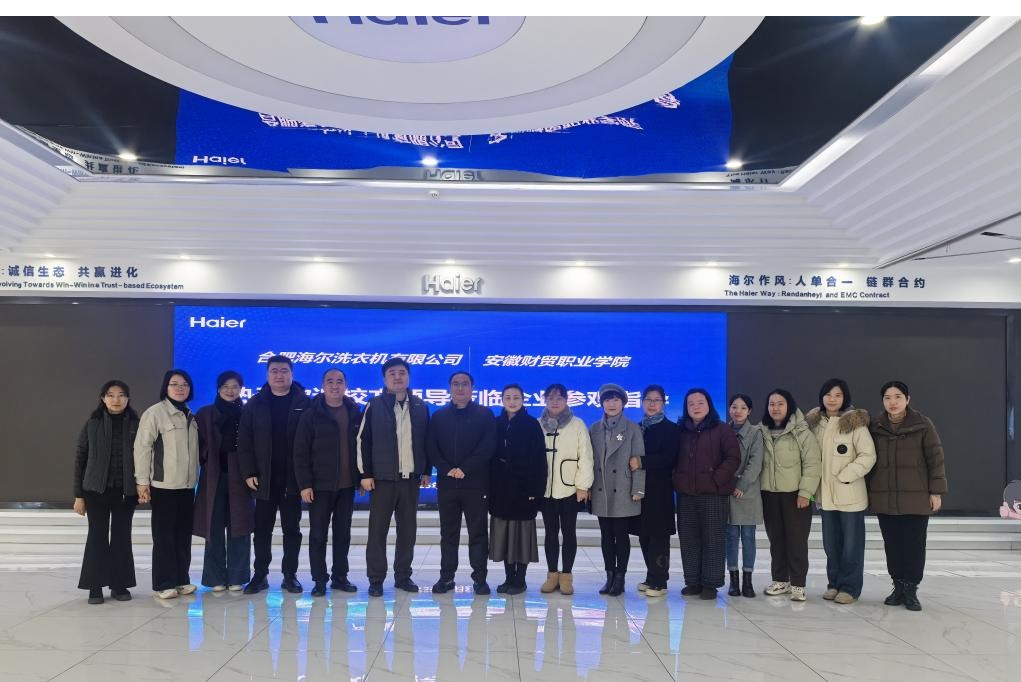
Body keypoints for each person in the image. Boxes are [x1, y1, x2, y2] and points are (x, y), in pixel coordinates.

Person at [868, 380, 947, 612]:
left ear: (907, 400)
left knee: (914, 545)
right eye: (887, 398)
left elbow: (936, 458)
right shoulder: (875, 426)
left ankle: (911, 589)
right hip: (885, 497)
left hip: (916, 497)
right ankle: (898, 586)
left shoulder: (922, 424)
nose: (892, 402)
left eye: (898, 397)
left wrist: (936, 491)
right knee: (892, 545)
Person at [357, 357, 431, 598]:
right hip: (382, 480)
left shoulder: (420, 406)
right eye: (392, 373)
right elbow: (362, 441)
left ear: (408, 376)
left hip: (410, 480)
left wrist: (426, 470)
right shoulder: (374, 404)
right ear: (384, 378)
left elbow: (427, 441)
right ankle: (376, 579)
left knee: (407, 532)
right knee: (377, 532)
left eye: (402, 373)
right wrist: (365, 474)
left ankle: (403, 576)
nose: (397, 377)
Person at [238, 354, 311, 595]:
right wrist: (248, 471)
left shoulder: (305, 403)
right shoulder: (255, 404)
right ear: (267, 374)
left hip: (293, 480)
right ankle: (260, 575)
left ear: (292, 373)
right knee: (262, 531)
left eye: (284, 371)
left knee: (292, 531)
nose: (279, 375)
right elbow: (244, 441)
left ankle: (290, 576)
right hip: (264, 479)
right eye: (274, 371)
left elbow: (313, 441)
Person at [806, 378, 876, 605]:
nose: (832, 399)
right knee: (831, 545)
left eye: (837, 395)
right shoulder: (815, 424)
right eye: (828, 394)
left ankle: (850, 588)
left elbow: (868, 455)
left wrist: (845, 475)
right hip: (825, 497)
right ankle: (834, 583)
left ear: (845, 398)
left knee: (851, 546)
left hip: (850, 495)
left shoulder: (855, 424)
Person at [294, 368, 363, 597]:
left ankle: (340, 577)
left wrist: (360, 478)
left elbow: (362, 448)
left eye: (339, 381)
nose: (335, 385)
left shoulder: (354, 412)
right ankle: (319, 579)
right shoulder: (311, 414)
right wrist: (305, 484)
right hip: (319, 486)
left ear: (346, 385)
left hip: (346, 486)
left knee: (343, 534)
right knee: (318, 535)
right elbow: (300, 451)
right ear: (323, 385)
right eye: (330, 381)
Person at [428, 371, 498, 595]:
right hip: (447, 485)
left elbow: (488, 446)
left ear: (472, 388)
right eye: (456, 384)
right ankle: (446, 577)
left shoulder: (485, 415)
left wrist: (465, 468)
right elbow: (431, 447)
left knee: (478, 533)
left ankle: (480, 579)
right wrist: (447, 469)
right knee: (448, 534)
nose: (460, 388)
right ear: (450, 388)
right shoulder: (439, 417)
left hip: (476, 484)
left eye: (465, 384)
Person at [134, 369, 200, 600]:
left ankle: (181, 579)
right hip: (164, 486)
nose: (180, 388)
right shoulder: (155, 413)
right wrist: (142, 482)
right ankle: (163, 583)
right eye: (174, 384)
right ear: (166, 387)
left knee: (183, 535)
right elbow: (142, 448)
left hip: (187, 486)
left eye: (185, 384)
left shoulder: (190, 415)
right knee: (164, 537)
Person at [73, 379, 140, 604]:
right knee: (96, 537)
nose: (116, 400)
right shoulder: (92, 423)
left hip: (126, 492)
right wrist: (78, 495)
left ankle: (119, 585)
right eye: (111, 395)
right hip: (95, 492)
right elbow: (80, 458)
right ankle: (95, 586)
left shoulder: (136, 424)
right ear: (103, 398)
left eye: (121, 395)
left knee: (122, 538)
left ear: (128, 399)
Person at [673, 388, 741, 600]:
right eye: (691, 403)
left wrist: (716, 479)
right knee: (689, 539)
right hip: (686, 495)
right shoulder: (680, 431)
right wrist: (677, 479)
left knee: (713, 539)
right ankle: (693, 581)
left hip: (713, 494)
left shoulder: (722, 429)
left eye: (700, 402)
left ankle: (710, 584)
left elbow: (733, 458)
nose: (696, 407)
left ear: (709, 405)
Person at [758, 389, 821, 602]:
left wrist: (806, 493)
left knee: (797, 541)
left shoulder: (802, 433)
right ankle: (780, 581)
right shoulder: (761, 431)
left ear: (790, 406)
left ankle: (798, 584)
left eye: (780, 403)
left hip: (796, 496)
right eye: (771, 404)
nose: (775, 408)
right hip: (769, 495)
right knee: (776, 540)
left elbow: (812, 464)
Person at [194, 371, 254, 593]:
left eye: (235, 386)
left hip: (241, 477)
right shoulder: (205, 413)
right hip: (214, 477)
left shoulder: (248, 413)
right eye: (226, 386)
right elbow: (197, 445)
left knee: (240, 528)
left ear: (241, 389)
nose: (230, 390)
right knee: (214, 527)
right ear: (218, 389)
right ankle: (215, 577)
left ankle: (238, 575)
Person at [489, 384, 548, 595]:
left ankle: (520, 580)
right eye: (508, 397)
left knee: (522, 537)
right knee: (504, 536)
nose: (512, 401)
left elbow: (540, 460)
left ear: (523, 400)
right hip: (500, 488)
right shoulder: (496, 424)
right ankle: (508, 578)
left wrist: (535, 489)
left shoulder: (532, 424)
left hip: (524, 488)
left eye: (516, 397)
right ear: (502, 400)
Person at [538, 383, 594, 595]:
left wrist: (583, 486)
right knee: (550, 533)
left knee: (569, 532)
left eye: (559, 398)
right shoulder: (538, 425)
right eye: (551, 398)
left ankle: (567, 576)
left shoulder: (577, 424)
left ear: (566, 400)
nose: (555, 402)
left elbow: (586, 456)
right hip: (546, 489)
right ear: (545, 400)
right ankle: (552, 575)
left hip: (570, 488)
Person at [590, 383, 645, 597]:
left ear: (623, 403)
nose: (611, 404)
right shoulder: (594, 429)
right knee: (606, 536)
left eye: (615, 400)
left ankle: (620, 577)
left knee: (621, 535)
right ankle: (610, 576)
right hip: (601, 489)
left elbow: (639, 460)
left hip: (623, 488)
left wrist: (638, 489)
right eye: (607, 400)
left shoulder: (632, 428)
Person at [628, 385, 679, 598]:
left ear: (663, 404)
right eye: (648, 399)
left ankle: (660, 581)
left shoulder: (671, 429)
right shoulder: (638, 428)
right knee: (644, 535)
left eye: (656, 400)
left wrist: (642, 461)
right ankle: (651, 576)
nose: (651, 404)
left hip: (660, 491)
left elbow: (669, 458)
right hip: (640, 492)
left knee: (659, 537)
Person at [725, 393, 764, 598]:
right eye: (734, 407)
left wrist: (741, 484)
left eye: (742, 407)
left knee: (748, 537)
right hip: (727, 491)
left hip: (748, 492)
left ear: (749, 411)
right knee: (731, 537)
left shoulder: (756, 433)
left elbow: (755, 463)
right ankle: (733, 580)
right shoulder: (723, 431)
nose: (737, 411)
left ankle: (748, 580)